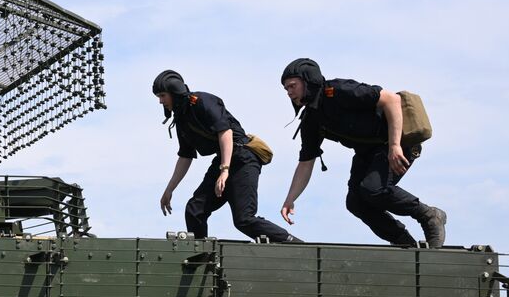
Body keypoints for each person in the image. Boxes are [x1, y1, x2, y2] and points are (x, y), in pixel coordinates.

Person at [278, 58, 447, 247]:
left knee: (373, 189)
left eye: (292, 86)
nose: (289, 92)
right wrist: (290, 199)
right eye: (286, 89)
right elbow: (306, 162)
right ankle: (404, 242)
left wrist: (394, 145)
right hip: (367, 152)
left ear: (308, 80)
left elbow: (391, 99)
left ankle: (430, 215)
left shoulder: (339, 91)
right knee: (356, 202)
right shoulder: (312, 120)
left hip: (394, 143)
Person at [153, 70, 301, 244]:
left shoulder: (202, 102)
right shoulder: (182, 119)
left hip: (243, 157)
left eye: (163, 95)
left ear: (174, 92)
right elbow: (185, 156)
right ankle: (202, 256)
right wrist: (170, 189)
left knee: (244, 219)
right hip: (224, 159)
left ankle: (294, 244)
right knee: (195, 209)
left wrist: (224, 170)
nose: (161, 101)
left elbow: (225, 132)